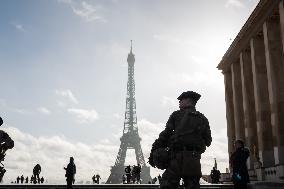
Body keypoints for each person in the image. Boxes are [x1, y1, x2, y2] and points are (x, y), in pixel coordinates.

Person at [149, 91, 212, 189]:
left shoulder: (176, 115)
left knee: (168, 185)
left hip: (177, 158)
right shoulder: (203, 118)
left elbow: (165, 135)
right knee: (192, 185)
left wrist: (153, 152)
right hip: (194, 159)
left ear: (187, 101)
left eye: (181, 100)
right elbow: (208, 141)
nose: (179, 102)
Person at [0, 117, 14, 183]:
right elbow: (11, 143)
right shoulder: (2, 134)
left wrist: (4, 150)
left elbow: (11, 143)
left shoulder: (2, 134)